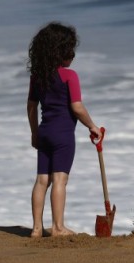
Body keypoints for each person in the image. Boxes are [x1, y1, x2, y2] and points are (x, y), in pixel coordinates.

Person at [26, 22, 101, 238]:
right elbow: (76, 107)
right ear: (61, 53)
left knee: (42, 180)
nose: (73, 55)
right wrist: (92, 126)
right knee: (60, 180)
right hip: (63, 135)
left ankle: (37, 228)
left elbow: (31, 106)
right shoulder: (70, 76)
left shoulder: (37, 77)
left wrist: (34, 133)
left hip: (44, 132)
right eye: (71, 50)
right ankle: (58, 227)